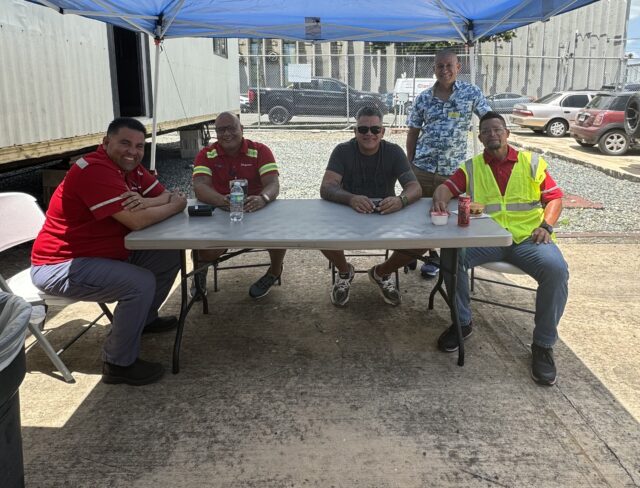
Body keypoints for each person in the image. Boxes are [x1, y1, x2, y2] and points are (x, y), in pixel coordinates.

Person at [31, 117, 187, 386]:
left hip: (104, 256)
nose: (133, 151)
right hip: (61, 264)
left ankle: (144, 318)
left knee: (169, 252)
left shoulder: (131, 169)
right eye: (125, 143)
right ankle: (118, 364)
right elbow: (139, 220)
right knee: (140, 282)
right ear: (106, 143)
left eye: (139, 146)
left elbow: (164, 194)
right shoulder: (94, 169)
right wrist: (172, 205)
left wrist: (152, 201)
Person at [432, 111, 569, 386]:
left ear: (506, 133)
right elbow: (446, 188)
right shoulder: (472, 166)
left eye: (497, 129)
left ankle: (542, 345)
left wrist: (547, 226)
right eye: (486, 131)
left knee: (556, 270)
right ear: (480, 137)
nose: (492, 134)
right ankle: (462, 322)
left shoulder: (531, 162)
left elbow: (554, 198)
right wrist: (440, 199)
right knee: (449, 256)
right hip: (486, 241)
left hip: (528, 239)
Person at [320, 106, 424, 307]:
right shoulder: (343, 151)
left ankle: (381, 273)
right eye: (363, 129)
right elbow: (326, 187)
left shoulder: (393, 152)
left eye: (375, 129)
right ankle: (344, 271)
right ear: (355, 131)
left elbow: (414, 187)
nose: (369, 134)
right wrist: (351, 199)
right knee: (316, 233)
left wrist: (400, 201)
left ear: (383, 131)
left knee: (425, 241)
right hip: (348, 213)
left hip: (387, 214)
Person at [406, 49, 492, 278]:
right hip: (422, 167)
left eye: (448, 65)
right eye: (439, 66)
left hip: (452, 171)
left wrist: (491, 150)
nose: (444, 70)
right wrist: (409, 163)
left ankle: (447, 261)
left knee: (447, 215)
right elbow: (413, 131)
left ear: (458, 67)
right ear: (433, 69)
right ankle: (425, 254)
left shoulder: (471, 93)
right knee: (420, 213)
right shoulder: (424, 98)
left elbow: (489, 120)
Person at [191, 112, 286, 299]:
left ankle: (274, 272)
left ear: (242, 129)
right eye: (220, 130)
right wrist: (221, 200)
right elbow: (199, 186)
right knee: (204, 248)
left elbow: (273, 184)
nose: (226, 134)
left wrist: (263, 199)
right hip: (221, 210)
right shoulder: (206, 153)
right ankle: (199, 273)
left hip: (257, 209)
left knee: (279, 235)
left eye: (231, 128)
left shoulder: (260, 150)